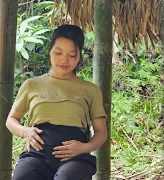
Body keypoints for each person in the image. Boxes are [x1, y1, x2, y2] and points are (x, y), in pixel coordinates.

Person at [6, 25, 107, 180]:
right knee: (23, 175)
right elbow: (11, 120)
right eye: (58, 52)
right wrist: (25, 131)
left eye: (72, 55)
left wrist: (83, 147)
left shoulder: (90, 90)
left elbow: (101, 132)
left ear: (79, 56)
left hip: (75, 159)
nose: (64, 60)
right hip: (37, 156)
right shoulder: (31, 85)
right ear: (49, 51)